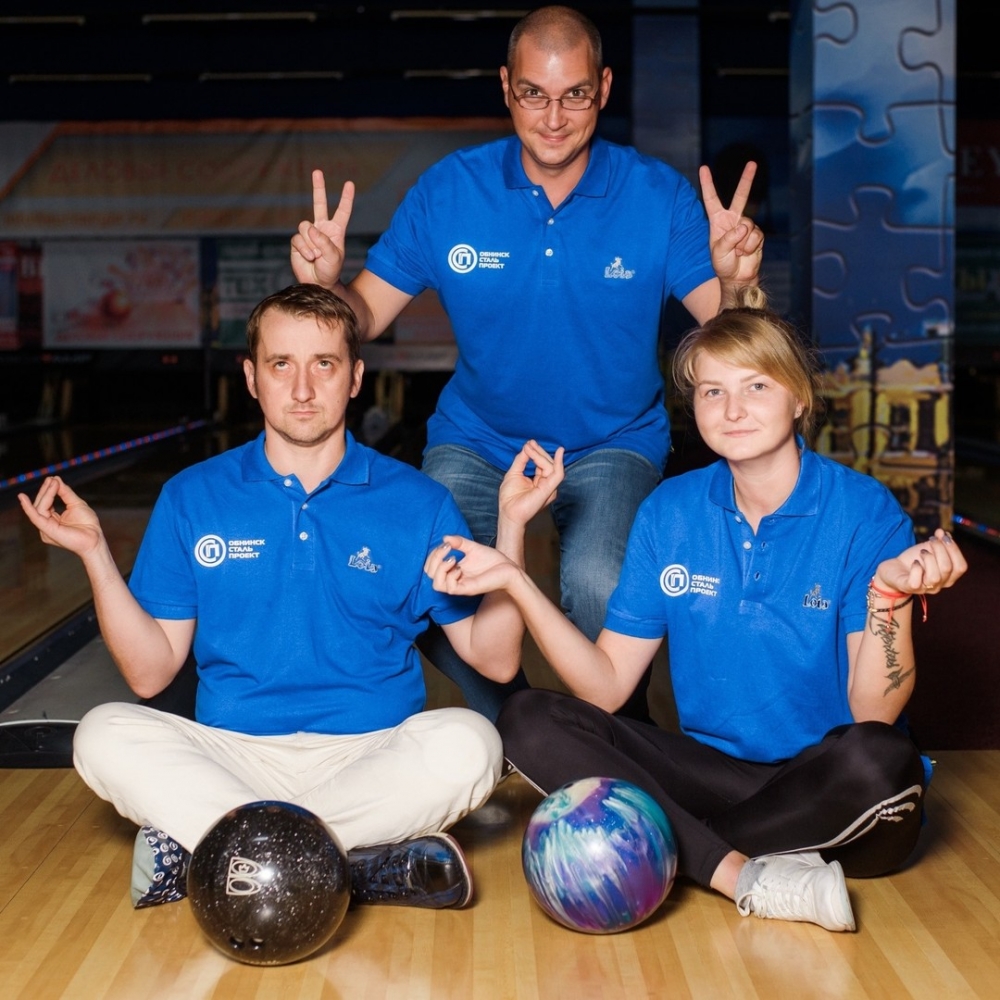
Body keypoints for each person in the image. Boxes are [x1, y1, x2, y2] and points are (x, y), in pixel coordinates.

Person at [423, 285, 968, 932]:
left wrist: (888, 598)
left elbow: (873, 714)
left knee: (880, 758)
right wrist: (517, 582)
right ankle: (745, 875)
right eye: (712, 392)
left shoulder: (864, 512)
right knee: (528, 719)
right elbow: (605, 688)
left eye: (756, 386)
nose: (732, 410)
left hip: (835, 790)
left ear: (799, 397)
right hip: (718, 777)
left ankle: (678, 848)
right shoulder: (671, 511)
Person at [18, 283, 565, 912]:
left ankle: (221, 851)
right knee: (102, 734)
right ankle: (357, 863)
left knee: (472, 744)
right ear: (252, 377)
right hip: (233, 755)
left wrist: (512, 527)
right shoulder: (192, 495)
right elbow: (150, 674)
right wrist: (95, 554)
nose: (302, 388)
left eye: (323, 364)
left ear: (355, 378)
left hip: (371, 753)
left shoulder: (419, 503)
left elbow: (494, 660)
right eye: (281, 364)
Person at [289, 5, 764, 724]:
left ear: (604, 89)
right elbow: (363, 318)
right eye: (534, 94)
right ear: (506, 88)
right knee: (430, 577)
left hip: (613, 440)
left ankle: (621, 733)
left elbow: (730, 331)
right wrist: (327, 285)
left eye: (575, 94)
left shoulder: (657, 197)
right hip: (478, 439)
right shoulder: (450, 191)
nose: (554, 118)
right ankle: (517, 721)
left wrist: (735, 279)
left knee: (600, 583)